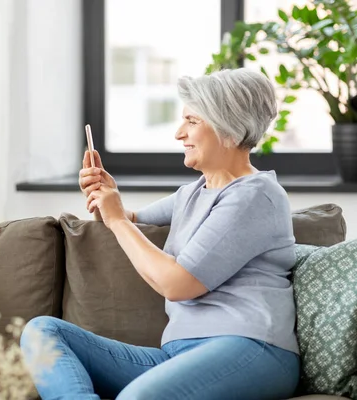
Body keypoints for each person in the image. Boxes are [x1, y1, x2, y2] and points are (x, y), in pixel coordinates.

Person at [21, 68, 300, 400]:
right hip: (179, 353)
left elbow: (178, 284)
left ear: (229, 126)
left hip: (252, 349)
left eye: (192, 121)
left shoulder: (254, 195)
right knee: (42, 333)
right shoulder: (193, 193)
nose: (179, 133)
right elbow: (127, 219)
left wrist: (117, 220)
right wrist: (106, 198)